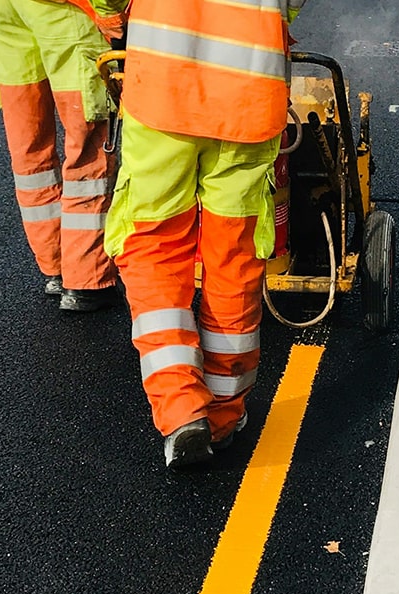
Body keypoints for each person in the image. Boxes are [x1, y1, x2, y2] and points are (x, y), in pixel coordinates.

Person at [104, 0, 306, 466]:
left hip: (162, 94)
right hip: (249, 98)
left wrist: (115, 19)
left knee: (152, 247)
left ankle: (181, 410)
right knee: (233, 256)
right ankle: (224, 414)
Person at [0, 0, 129, 311]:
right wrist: (113, 16)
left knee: (30, 149)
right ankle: (87, 279)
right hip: (66, 12)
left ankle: (56, 266)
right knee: (88, 147)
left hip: (3, 11)